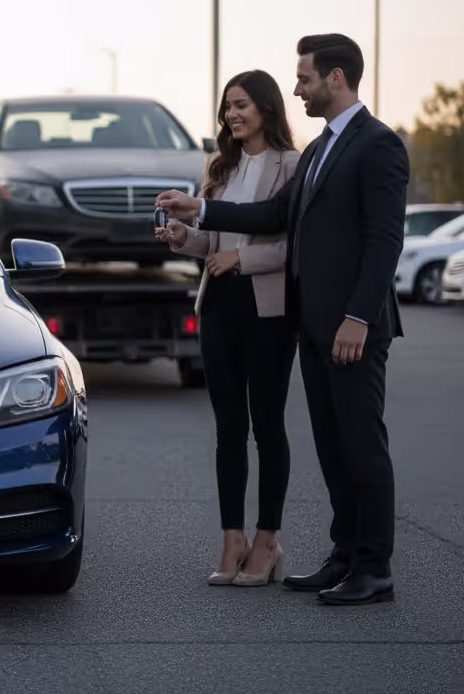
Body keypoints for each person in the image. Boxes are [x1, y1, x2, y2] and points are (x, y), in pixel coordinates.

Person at [157, 34, 408, 605]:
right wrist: (200, 209)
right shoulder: (322, 150)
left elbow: (384, 240)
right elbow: (273, 214)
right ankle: (344, 555)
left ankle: (375, 568)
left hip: (351, 326)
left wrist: (357, 317)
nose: (298, 87)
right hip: (314, 325)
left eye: (305, 78)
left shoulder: (378, 145)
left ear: (336, 78)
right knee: (332, 445)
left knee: (363, 445)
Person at [156, 70, 300, 587]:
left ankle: (267, 540)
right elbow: (210, 244)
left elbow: (291, 246)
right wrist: (183, 237)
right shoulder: (219, 166)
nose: (232, 115)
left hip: (268, 310)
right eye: (227, 108)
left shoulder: (292, 165)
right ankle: (231, 538)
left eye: (241, 105)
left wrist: (242, 258)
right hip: (219, 306)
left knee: (266, 424)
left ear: (266, 107)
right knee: (227, 428)